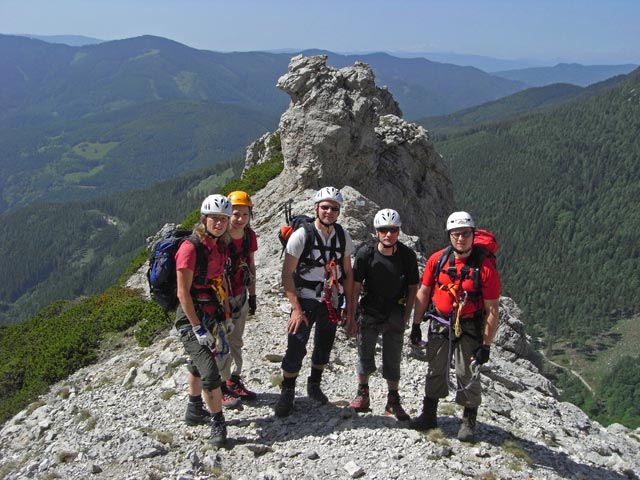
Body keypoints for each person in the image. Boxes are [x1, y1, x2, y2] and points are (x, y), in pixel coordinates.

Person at [409, 211, 501, 442]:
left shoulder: (485, 268)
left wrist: (486, 345)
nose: (461, 238)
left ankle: (468, 421)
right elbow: (424, 292)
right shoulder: (437, 260)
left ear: (473, 234)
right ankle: (429, 415)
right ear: (449, 235)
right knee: (435, 368)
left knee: (465, 371)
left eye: (466, 234)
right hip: (440, 323)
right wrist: (416, 324)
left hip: (469, 326)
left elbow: (492, 309)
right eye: (456, 234)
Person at [275, 186, 356, 417]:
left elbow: (348, 273)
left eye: (334, 208)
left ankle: (314, 385)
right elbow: (286, 275)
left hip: (330, 299)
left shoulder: (342, 236)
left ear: (339, 211)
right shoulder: (302, 235)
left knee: (325, 342)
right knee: (296, 346)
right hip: (305, 298)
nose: (329, 211)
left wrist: (350, 309)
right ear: (316, 209)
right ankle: (287, 391)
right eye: (325, 207)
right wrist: (296, 310)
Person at [348, 209, 419, 421]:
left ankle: (393, 399)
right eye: (384, 230)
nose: (388, 234)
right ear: (377, 232)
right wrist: (350, 316)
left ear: (398, 231)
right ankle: (363, 393)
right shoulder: (365, 253)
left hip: (394, 312)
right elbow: (355, 286)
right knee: (364, 353)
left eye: (393, 230)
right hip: (369, 310)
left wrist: (406, 317)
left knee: (393, 357)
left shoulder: (407, 256)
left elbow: (413, 287)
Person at [175, 194, 233, 447]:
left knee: (199, 362)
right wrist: (197, 327)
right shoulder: (191, 248)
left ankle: (193, 409)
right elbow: (182, 292)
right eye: (214, 218)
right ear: (204, 219)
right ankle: (218, 422)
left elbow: (221, 282)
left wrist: (227, 314)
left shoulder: (220, 245)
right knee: (210, 372)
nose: (219, 223)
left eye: (223, 219)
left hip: (212, 312)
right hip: (191, 317)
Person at [217, 190, 258, 405]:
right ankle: (222, 385)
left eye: (244, 214)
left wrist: (253, 296)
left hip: (240, 294)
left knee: (237, 341)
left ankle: (234, 380)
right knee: (221, 341)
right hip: (221, 298)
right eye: (235, 214)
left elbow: (251, 265)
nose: (240, 219)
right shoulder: (220, 239)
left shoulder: (249, 236)